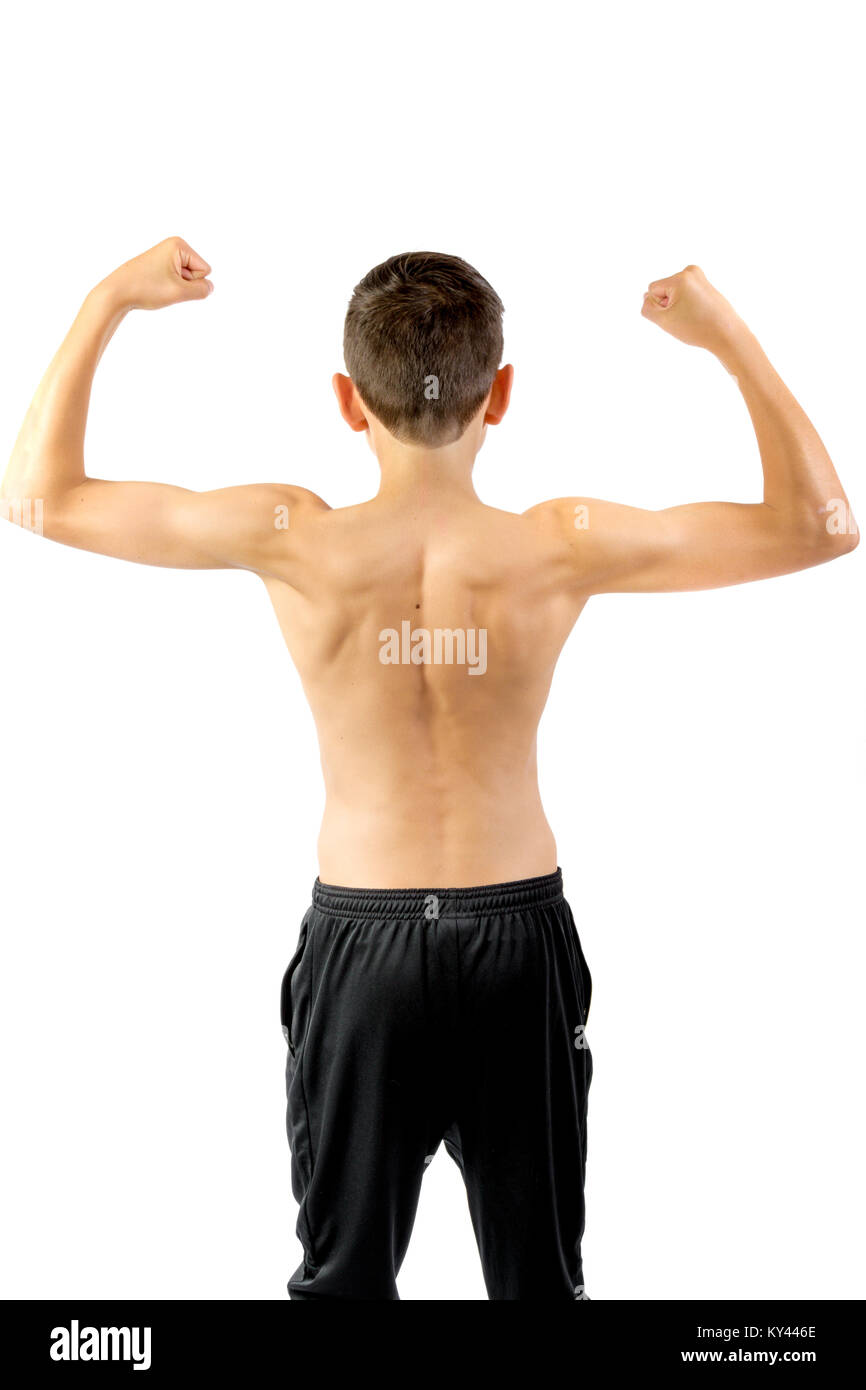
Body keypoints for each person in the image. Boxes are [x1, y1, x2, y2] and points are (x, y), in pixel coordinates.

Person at [1, 239, 857, 1301]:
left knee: (342, 1284)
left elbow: (37, 495)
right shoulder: (557, 544)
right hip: (515, 941)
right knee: (536, 1288)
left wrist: (106, 300)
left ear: (345, 401)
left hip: (363, 950)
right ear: (501, 393)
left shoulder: (292, 537)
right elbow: (819, 528)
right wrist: (725, 340)